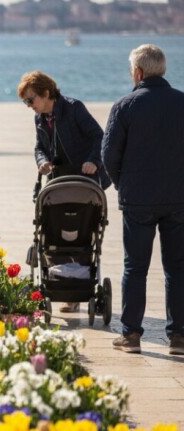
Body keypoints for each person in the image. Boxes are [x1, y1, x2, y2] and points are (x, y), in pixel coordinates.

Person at [101, 44, 184, 355]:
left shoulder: (125, 105)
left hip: (138, 199)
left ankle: (132, 335)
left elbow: (109, 155)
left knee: (135, 267)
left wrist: (125, 185)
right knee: (177, 268)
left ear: (138, 72)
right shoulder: (181, 102)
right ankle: (178, 337)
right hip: (179, 199)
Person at [18, 71, 111, 313]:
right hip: (58, 182)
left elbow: (99, 137)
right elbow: (39, 146)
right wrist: (42, 161)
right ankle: (63, 285)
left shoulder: (73, 108)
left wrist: (93, 161)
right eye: (25, 102)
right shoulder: (40, 118)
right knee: (55, 232)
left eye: (31, 100)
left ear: (46, 93)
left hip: (83, 179)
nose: (29, 106)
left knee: (83, 232)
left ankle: (78, 289)